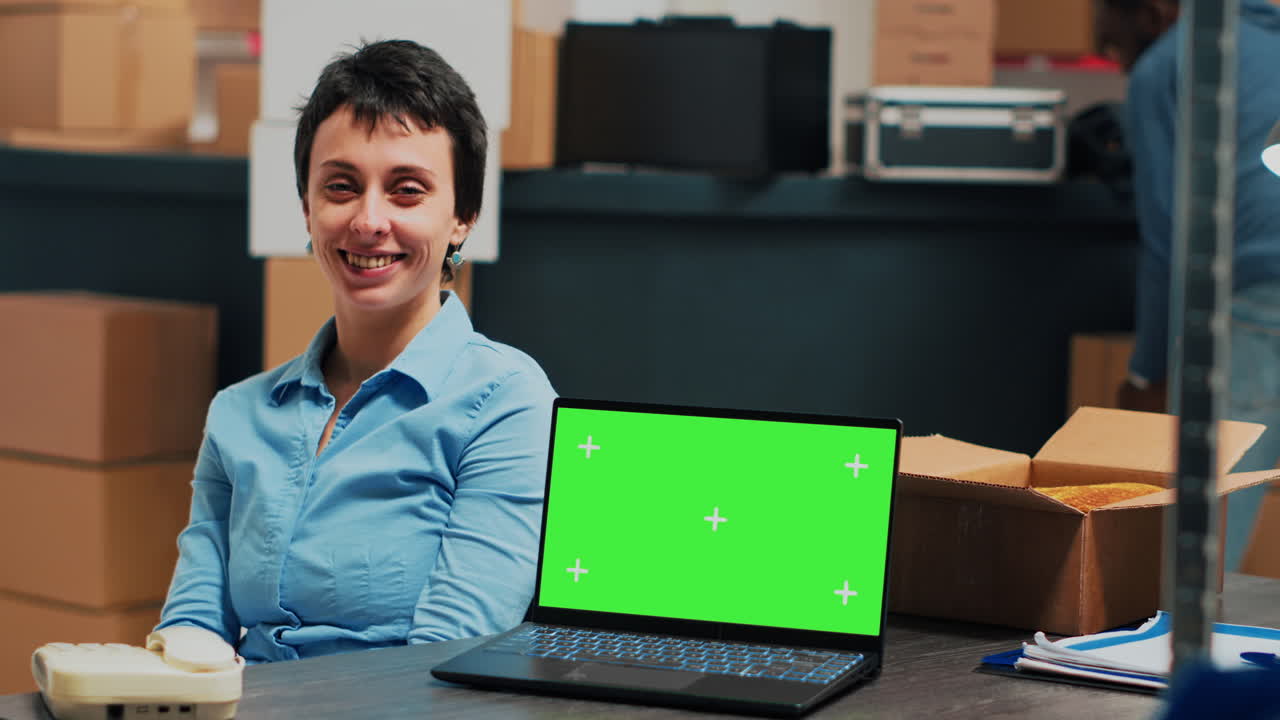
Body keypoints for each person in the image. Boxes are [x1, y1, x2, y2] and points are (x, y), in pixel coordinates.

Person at [156, 40, 557, 662]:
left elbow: (446, 657)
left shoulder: (507, 402)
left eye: (407, 190)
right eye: (340, 187)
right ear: (306, 208)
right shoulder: (238, 414)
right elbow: (191, 632)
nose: (369, 220)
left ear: (463, 217)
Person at [1100, 0, 1280, 571]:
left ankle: (1170, 656)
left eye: (1115, 45)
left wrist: (1146, 373)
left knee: (1204, 539)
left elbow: (1169, 240)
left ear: (1148, 13)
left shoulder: (1169, 63)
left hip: (1251, 294)